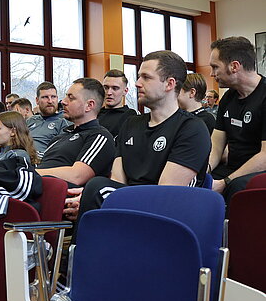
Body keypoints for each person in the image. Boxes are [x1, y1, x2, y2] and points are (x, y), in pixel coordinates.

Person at [76, 51, 211, 221]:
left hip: (167, 217)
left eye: (146, 77)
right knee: (90, 192)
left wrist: (98, 195)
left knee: (97, 187)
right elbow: (117, 182)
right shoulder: (131, 124)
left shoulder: (192, 128)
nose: (137, 83)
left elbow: (165, 193)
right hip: (129, 207)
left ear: (169, 84)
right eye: (139, 77)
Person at [36, 78, 116, 218]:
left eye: (71, 98)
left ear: (89, 105)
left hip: (60, 200)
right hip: (37, 190)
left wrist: (32, 173)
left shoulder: (99, 136)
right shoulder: (60, 137)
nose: (63, 101)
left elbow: (77, 176)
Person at [207, 36, 266, 203]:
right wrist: (205, 169)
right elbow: (216, 145)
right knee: (199, 181)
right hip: (233, 168)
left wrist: (225, 182)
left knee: (235, 186)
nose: (212, 74)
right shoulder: (228, 98)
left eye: (215, 67)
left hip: (259, 172)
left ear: (234, 66)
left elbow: (265, 156)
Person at [26, 81, 69, 158]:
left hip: (43, 160)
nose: (50, 101)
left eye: (53, 97)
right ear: (37, 100)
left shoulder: (63, 121)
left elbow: (60, 151)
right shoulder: (30, 120)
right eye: (45, 97)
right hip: (22, 156)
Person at [97, 69, 138, 140]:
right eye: (106, 88)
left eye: (115, 88)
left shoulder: (130, 117)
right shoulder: (94, 114)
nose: (109, 92)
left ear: (125, 91)